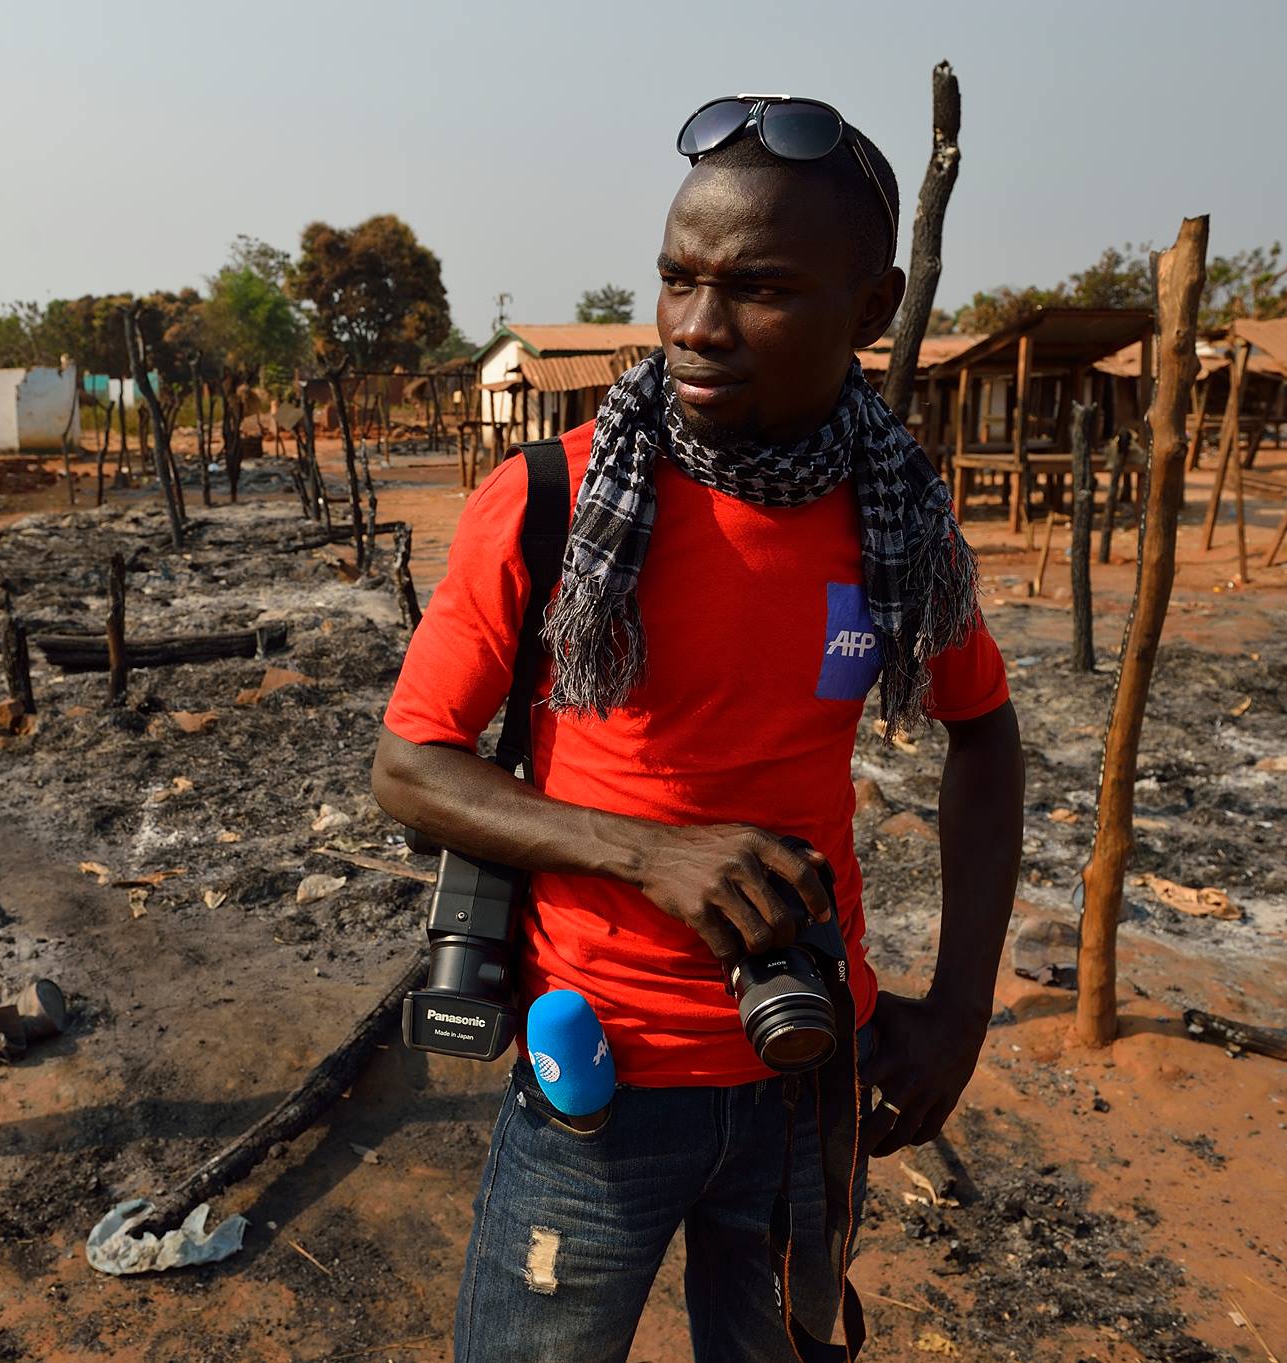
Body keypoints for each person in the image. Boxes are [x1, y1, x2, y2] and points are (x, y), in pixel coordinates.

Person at [371, 96, 1025, 1362]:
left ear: (872, 307)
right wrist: (645, 851)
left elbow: (983, 733)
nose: (694, 325)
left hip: (805, 1074)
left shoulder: (893, 515)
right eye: (678, 277)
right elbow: (409, 765)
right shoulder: (554, 499)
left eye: (758, 288)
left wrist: (958, 1009)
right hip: (591, 1082)